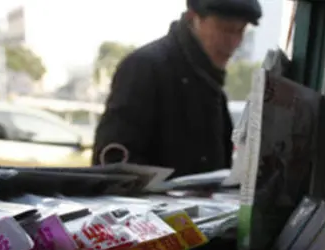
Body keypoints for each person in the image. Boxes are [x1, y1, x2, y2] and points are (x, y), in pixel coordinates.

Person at [92, 0, 262, 177]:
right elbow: (112, 162)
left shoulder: (212, 85)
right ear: (193, 18)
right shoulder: (144, 67)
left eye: (240, 31)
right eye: (225, 30)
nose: (233, 42)